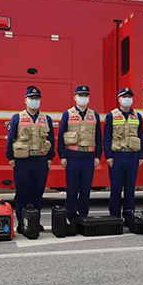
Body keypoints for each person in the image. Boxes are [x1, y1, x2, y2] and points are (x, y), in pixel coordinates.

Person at [6, 86, 55, 231]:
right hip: (22, 161)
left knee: (37, 192)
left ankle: (35, 222)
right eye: (31, 98)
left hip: (40, 160)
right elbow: (11, 138)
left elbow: (51, 139)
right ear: (25, 100)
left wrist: (50, 158)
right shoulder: (17, 117)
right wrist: (10, 157)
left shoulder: (46, 119)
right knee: (22, 193)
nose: (34, 101)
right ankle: (22, 223)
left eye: (37, 98)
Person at [58, 85, 102, 221]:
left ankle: (83, 216)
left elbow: (98, 137)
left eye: (85, 95)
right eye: (80, 95)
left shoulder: (94, 115)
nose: (83, 98)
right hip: (72, 156)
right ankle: (71, 216)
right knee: (71, 189)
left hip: (88, 157)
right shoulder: (68, 114)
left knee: (85, 189)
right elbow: (61, 136)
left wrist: (98, 156)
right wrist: (62, 156)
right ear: (75, 97)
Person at [104, 87, 143, 223]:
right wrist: (108, 156)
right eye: (124, 97)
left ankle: (129, 215)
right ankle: (114, 216)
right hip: (117, 156)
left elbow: (141, 137)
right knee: (116, 188)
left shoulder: (137, 116)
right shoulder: (112, 115)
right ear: (119, 99)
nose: (127, 99)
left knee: (130, 189)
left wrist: (141, 156)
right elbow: (107, 137)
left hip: (132, 156)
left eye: (129, 97)